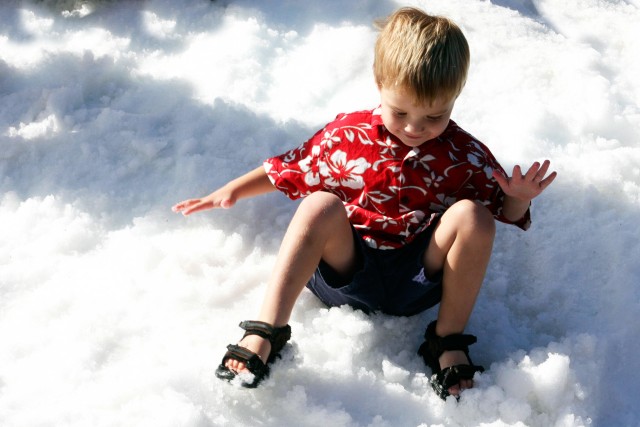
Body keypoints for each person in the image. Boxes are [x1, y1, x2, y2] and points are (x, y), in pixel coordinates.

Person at [172, 7, 556, 399]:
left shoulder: (464, 153)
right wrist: (232, 190)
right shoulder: (348, 135)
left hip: (418, 277)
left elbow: (501, 214)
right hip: (347, 270)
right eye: (401, 111)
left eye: (435, 115)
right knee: (318, 205)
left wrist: (516, 199)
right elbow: (293, 166)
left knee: (474, 217)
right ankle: (266, 329)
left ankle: (447, 339)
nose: (414, 128)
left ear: (455, 97)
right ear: (379, 82)